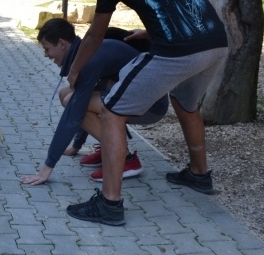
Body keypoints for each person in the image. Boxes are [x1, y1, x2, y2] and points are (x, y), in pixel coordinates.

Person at [65, 0, 228, 226]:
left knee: (112, 111)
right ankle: (199, 174)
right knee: (186, 103)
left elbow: (95, 36)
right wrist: (151, 31)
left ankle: (109, 203)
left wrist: (75, 70)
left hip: (177, 51)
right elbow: (180, 2)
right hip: (216, 42)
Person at [20, 19, 168, 187]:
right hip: (135, 98)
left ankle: (125, 158)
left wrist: (47, 167)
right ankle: (108, 149)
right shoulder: (85, 52)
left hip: (151, 107)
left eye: (47, 49)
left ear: (61, 44)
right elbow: (84, 97)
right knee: (65, 93)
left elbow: (75, 113)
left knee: (72, 102)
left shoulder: (88, 60)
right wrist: (77, 145)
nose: (45, 55)